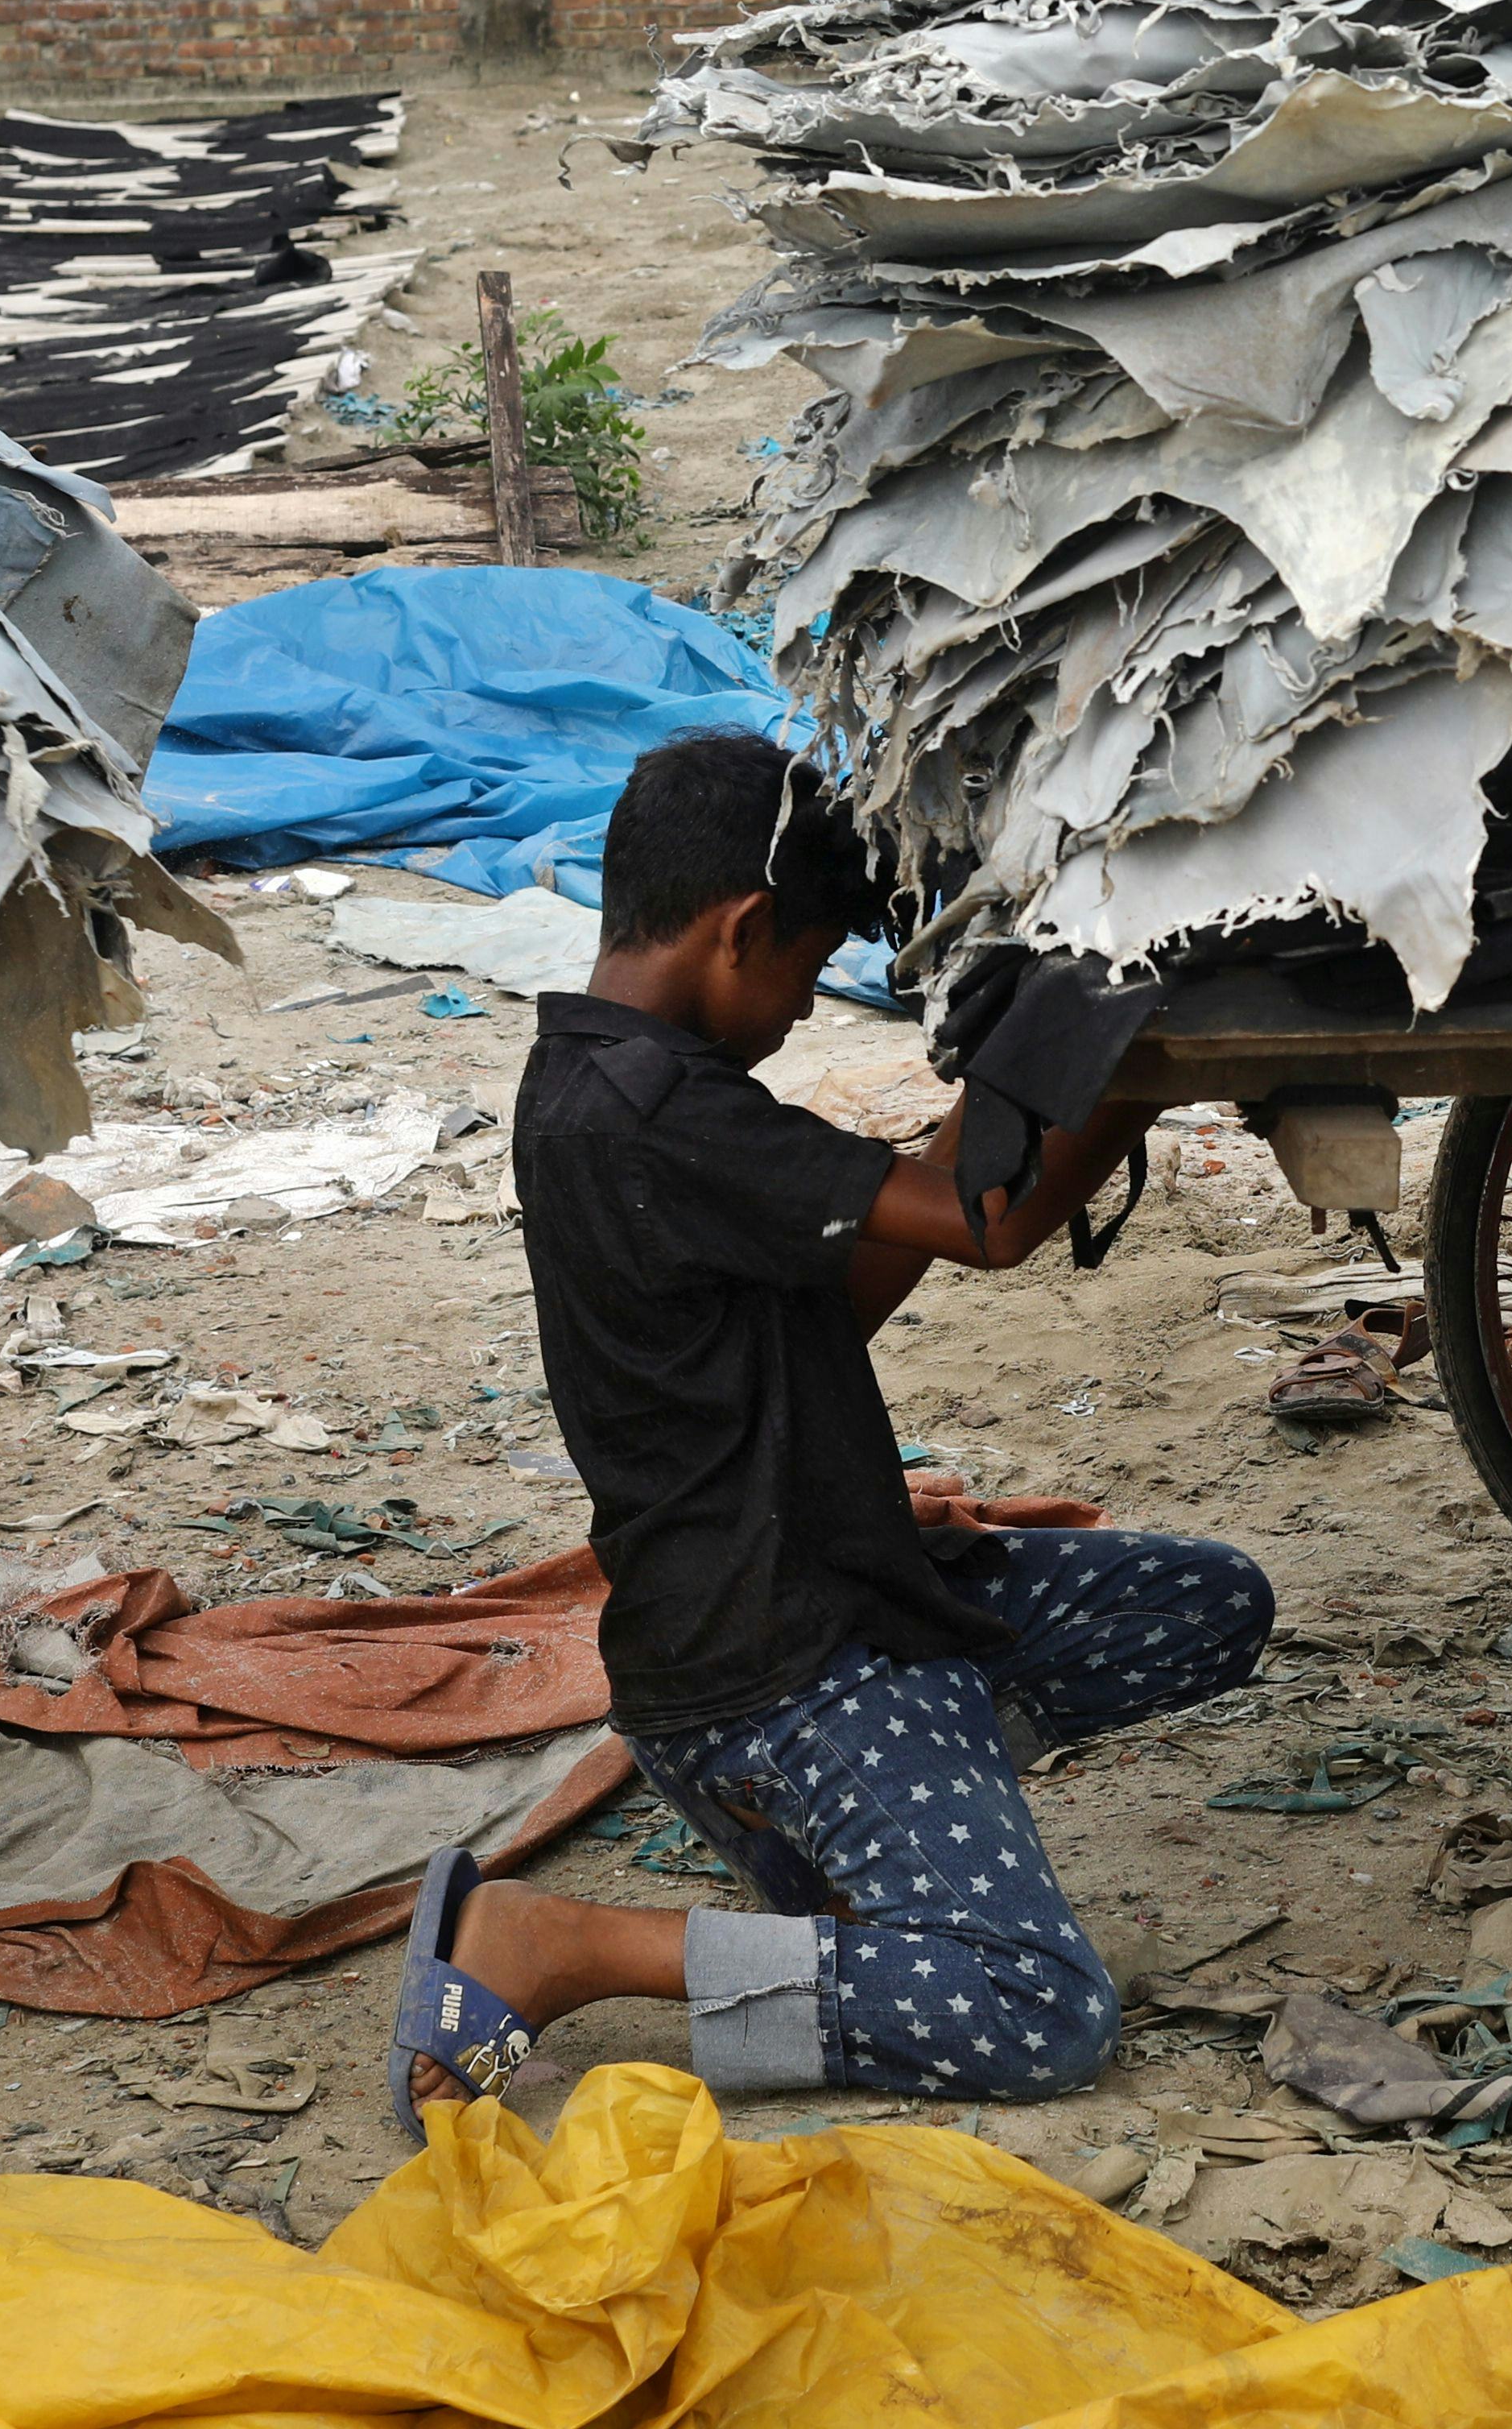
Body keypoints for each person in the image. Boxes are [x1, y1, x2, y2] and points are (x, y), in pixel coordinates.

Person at [394, 730, 1263, 2116]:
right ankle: (566, 1942)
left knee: (1206, 1601)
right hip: (783, 1666)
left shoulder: (587, 1080)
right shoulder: (666, 1114)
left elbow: (850, 1280)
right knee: (1040, 2017)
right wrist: (1138, 1054)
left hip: (794, 1603)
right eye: (807, 968)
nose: (806, 1004)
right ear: (742, 931)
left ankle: (862, 1855)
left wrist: (1010, 1090)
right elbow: (990, 1221)